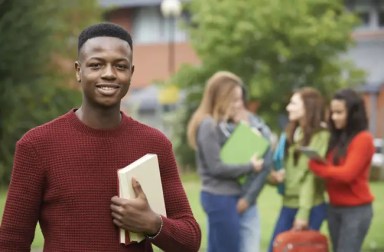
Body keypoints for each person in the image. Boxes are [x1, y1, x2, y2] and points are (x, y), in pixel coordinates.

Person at [0, 22, 201, 252]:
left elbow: (190, 240)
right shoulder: (37, 145)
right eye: (96, 65)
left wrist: (153, 223)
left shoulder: (155, 145)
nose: (109, 74)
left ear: (131, 73)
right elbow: (11, 242)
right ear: (78, 70)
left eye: (120, 66)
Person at [187, 71, 264, 252]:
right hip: (218, 197)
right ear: (221, 98)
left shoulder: (222, 124)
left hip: (227, 196)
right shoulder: (208, 125)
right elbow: (216, 167)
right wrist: (250, 166)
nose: (239, 105)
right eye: (235, 100)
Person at [309, 88, 374, 252]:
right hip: (334, 207)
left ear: (352, 114)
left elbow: (347, 174)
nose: (334, 117)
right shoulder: (337, 138)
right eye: (332, 112)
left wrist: (318, 168)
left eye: (339, 112)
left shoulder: (363, 139)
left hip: (355, 211)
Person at [268, 87, 329, 252]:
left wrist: (303, 213)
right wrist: (273, 177)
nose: (288, 107)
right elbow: (284, 167)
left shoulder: (320, 135)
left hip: (310, 207)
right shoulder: (292, 131)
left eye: (293, 103)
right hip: (288, 204)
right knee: (275, 248)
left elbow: (310, 176)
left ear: (308, 106)